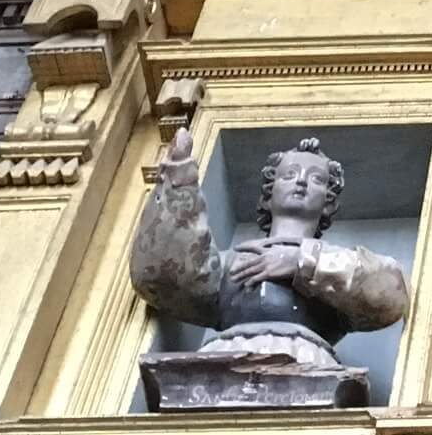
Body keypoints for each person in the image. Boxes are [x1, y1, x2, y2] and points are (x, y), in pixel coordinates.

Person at [130, 129, 408, 371]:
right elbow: (161, 278)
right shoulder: (230, 262)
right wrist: (179, 179)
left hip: (307, 362)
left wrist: (302, 262)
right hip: (223, 362)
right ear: (268, 195)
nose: (301, 181)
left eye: (316, 179)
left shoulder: (338, 264)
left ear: (329, 202)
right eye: (289, 175)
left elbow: (389, 296)